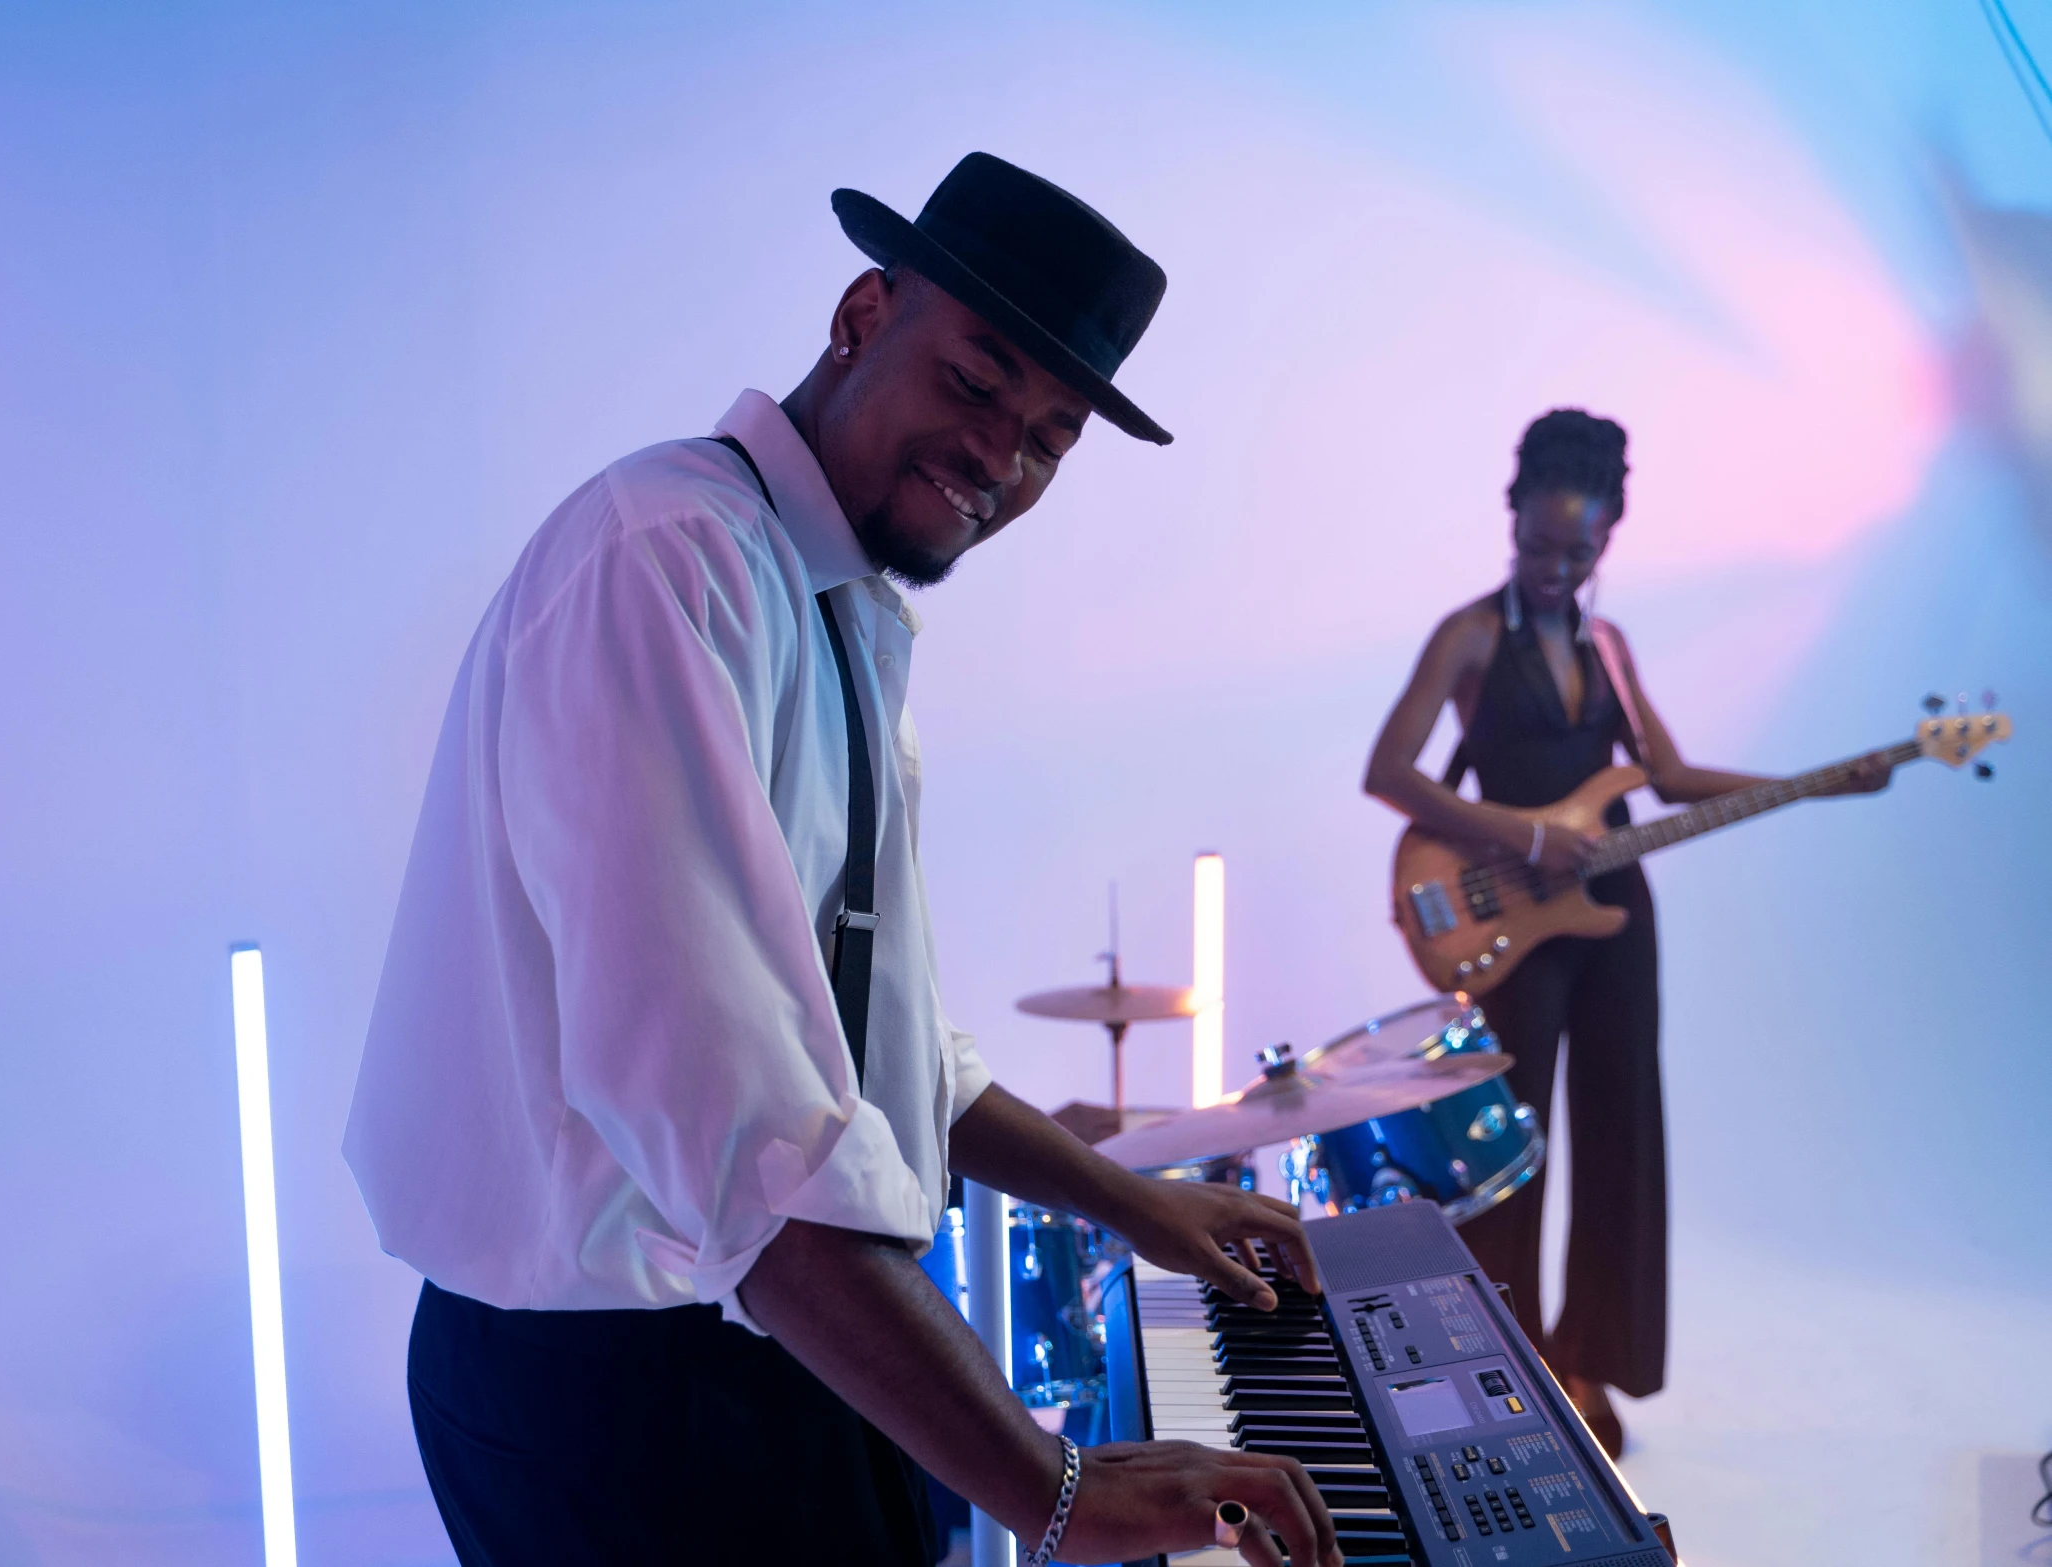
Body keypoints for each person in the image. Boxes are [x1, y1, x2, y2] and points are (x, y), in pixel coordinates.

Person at [345, 153, 1342, 1567]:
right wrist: (1059, 1493)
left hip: (768, 1338)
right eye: (977, 383)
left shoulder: (822, 595)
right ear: (864, 314)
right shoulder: (666, 561)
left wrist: (1135, 1201)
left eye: (1051, 436)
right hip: (621, 1390)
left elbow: (881, 1054)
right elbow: (746, 1124)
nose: (1002, 456)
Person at [1361, 408, 1889, 1457]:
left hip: (1613, 914)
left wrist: (1811, 786)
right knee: (1508, 1144)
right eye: (1538, 546)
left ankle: (1583, 1364)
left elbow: (1667, 774)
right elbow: (1390, 771)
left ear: (1609, 535)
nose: (1557, 568)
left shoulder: (1607, 644)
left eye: (1580, 550)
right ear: (1510, 516)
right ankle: (1493, 1360)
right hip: (1509, 912)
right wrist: (1520, 833)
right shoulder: (1465, 635)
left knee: (1618, 1132)